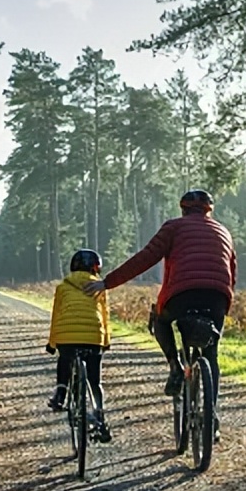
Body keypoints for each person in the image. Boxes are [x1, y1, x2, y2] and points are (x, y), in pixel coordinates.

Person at [84, 189, 236, 441]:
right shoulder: (223, 231)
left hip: (181, 295)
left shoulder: (174, 227)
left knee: (160, 319)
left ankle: (175, 367)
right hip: (217, 297)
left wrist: (107, 283)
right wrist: (223, 306)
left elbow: (146, 258)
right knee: (211, 353)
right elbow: (231, 270)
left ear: (183, 208)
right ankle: (212, 418)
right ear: (210, 210)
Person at [46, 248, 112, 443]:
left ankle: (60, 392)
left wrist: (52, 343)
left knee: (64, 361)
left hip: (67, 336)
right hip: (94, 336)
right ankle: (100, 415)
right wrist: (106, 341)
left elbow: (56, 317)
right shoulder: (100, 287)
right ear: (96, 268)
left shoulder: (62, 288)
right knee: (94, 380)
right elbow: (105, 316)